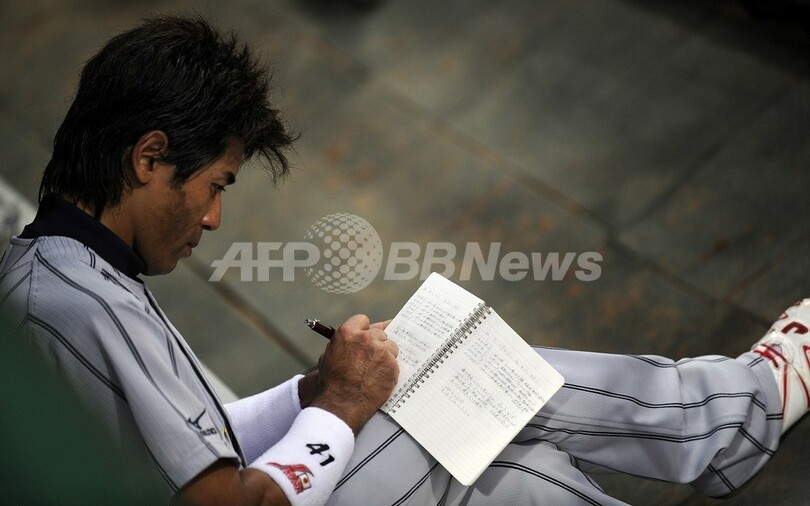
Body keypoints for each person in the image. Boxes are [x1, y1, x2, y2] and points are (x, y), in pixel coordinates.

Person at [0, 14, 807, 506]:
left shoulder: (67, 277)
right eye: (214, 186)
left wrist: (314, 391)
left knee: (495, 461)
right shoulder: (67, 300)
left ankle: (728, 414)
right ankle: (737, 409)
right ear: (149, 158)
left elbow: (199, 443)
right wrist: (347, 404)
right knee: (438, 379)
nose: (214, 217)